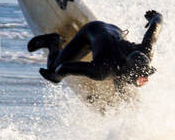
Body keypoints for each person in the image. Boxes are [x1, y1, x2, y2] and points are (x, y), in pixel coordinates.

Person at [28, 10, 162, 90]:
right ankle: (53, 41)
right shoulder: (102, 70)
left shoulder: (146, 52)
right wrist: (56, 77)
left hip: (114, 31)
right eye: (142, 76)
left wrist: (154, 16)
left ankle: (123, 82)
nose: (146, 78)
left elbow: (157, 24)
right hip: (91, 31)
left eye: (145, 74)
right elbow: (65, 68)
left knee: (122, 78)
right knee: (53, 70)